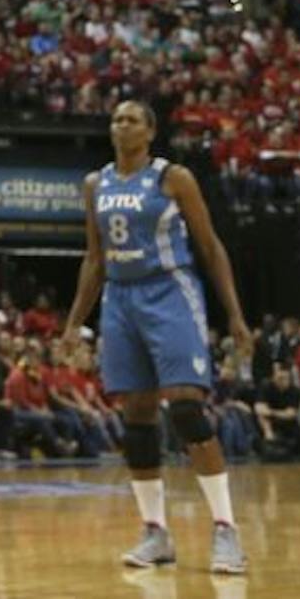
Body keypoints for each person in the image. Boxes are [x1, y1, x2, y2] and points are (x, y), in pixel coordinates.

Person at [63, 98, 252, 575]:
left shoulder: (174, 178)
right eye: (115, 118)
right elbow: (94, 258)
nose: (120, 124)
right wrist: (72, 322)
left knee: (186, 405)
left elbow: (210, 246)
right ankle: (155, 532)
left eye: (130, 118)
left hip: (170, 291)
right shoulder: (95, 184)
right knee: (137, 417)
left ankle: (226, 530)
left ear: (149, 132)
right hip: (120, 300)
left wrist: (235, 315)